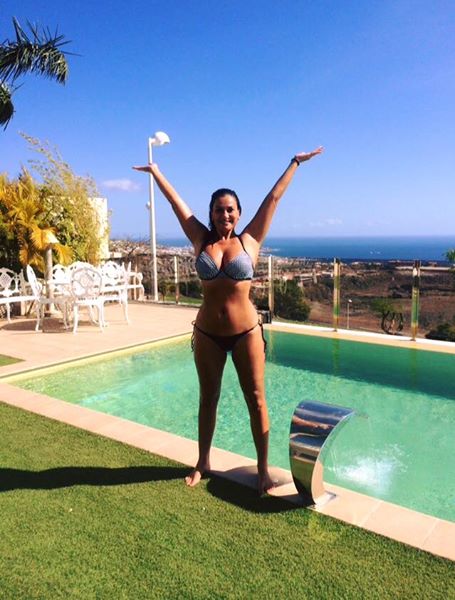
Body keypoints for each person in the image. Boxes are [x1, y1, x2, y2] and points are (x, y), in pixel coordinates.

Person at [133, 147, 323, 494]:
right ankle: (202, 462)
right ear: (211, 213)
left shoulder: (250, 240)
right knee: (208, 398)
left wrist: (295, 163)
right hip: (207, 333)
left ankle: (263, 470)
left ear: (239, 213)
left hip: (246, 332)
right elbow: (176, 204)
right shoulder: (200, 239)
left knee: (257, 399)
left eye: (230, 209)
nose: (225, 214)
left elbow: (273, 198)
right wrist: (156, 172)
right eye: (219, 209)